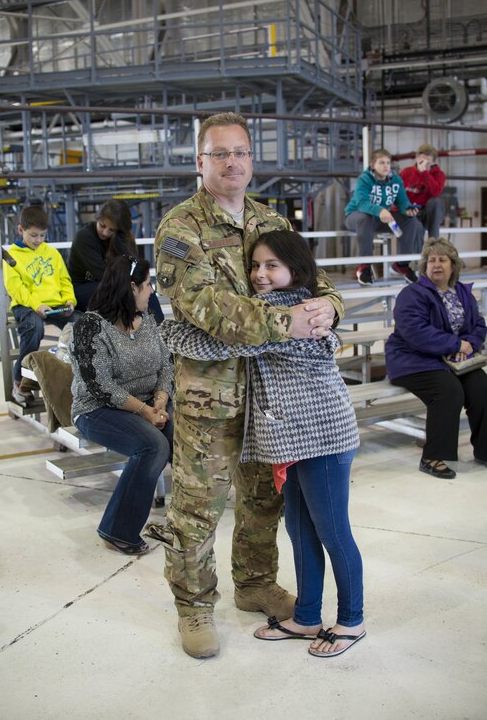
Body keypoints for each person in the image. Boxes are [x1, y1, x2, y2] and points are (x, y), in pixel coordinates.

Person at [147, 112, 344, 660]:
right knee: (197, 507)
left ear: (251, 160)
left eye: (240, 152)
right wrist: (289, 322)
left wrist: (328, 307)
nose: (231, 162)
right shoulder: (180, 227)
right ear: (200, 162)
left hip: (272, 395)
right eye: (219, 154)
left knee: (263, 500)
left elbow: (317, 281)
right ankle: (194, 606)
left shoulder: (268, 219)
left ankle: (255, 582)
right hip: (210, 398)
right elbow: (207, 308)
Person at [161, 230, 364, 658]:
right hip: (290, 439)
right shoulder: (283, 307)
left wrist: (166, 331)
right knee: (300, 528)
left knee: (333, 532)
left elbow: (208, 341)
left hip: (322, 437)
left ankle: (351, 620)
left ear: (296, 270)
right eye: (255, 266)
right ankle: (307, 617)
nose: (260, 275)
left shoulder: (291, 309)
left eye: (272, 265)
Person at [69, 254, 173, 555]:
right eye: (146, 284)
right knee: (152, 446)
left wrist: (160, 401)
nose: (151, 290)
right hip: (98, 409)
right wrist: (145, 412)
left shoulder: (148, 320)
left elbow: (166, 365)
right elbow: (99, 386)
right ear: (131, 287)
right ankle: (118, 530)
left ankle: (189, 517)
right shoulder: (90, 327)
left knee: (185, 438)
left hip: (149, 403)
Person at [385, 238, 487, 479]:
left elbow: (479, 324)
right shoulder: (412, 294)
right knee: (448, 391)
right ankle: (432, 456)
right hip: (412, 359)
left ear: (454, 265)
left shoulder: (462, 292)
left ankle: (484, 450)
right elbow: (415, 332)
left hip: (452, 360)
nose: (436, 265)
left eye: (442, 259)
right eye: (431, 260)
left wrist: (469, 344)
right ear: (424, 267)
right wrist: (455, 344)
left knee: (481, 386)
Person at [3, 205, 81, 406]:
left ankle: (76, 377)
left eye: (42, 236)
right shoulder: (11, 255)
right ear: (21, 230)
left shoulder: (52, 254)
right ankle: (20, 382)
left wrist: (69, 299)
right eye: (33, 235)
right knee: (33, 328)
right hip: (27, 305)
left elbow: (64, 279)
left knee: (81, 325)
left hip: (56, 305)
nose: (38, 240)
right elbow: (16, 288)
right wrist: (36, 304)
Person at [68, 199, 164, 321]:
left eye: (112, 230)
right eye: (102, 225)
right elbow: (103, 274)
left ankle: (159, 329)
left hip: (108, 284)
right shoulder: (84, 237)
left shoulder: (120, 238)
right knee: (127, 290)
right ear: (97, 219)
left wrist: (119, 239)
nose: (105, 232)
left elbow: (133, 267)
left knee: (145, 286)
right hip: (82, 288)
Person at [344, 148, 421, 286]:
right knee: (364, 218)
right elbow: (361, 203)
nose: (386, 166)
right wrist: (380, 210)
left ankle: (401, 264)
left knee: (411, 221)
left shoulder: (396, 180)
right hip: (355, 216)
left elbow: (403, 202)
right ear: (373, 165)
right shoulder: (364, 179)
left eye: (388, 162)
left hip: (380, 218)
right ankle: (365, 267)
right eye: (382, 163)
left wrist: (408, 210)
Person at [400, 144, 446, 239]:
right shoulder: (406, 173)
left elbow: (436, 193)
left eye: (427, 163)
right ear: (417, 158)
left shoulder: (439, 174)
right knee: (415, 231)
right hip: (412, 212)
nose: (423, 164)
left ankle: (433, 241)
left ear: (433, 162)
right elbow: (399, 194)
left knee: (436, 201)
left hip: (429, 214)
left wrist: (424, 173)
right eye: (421, 161)